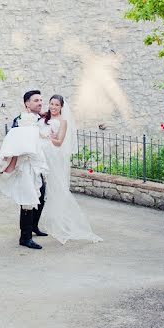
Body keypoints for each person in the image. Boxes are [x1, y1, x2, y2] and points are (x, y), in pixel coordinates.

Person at [38, 95, 102, 244]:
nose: (53, 107)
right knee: (44, 187)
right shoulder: (44, 117)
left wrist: (47, 137)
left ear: (61, 107)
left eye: (56, 105)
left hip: (53, 155)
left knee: (57, 187)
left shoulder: (63, 121)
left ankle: (63, 222)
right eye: (51, 104)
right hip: (41, 153)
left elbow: (59, 142)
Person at [0, 90, 50, 250]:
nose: (40, 103)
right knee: (27, 200)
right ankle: (24, 237)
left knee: (41, 196)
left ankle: (33, 227)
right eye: (36, 100)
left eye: (41, 100)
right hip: (24, 165)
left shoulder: (41, 119)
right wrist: (11, 165)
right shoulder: (19, 121)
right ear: (27, 104)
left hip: (37, 164)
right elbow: (16, 143)